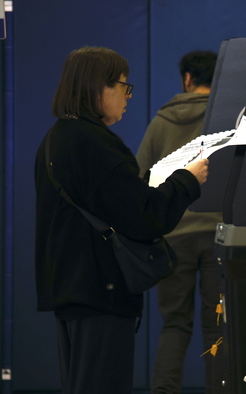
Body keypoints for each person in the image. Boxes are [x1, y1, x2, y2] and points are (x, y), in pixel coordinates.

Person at [34, 46, 209, 394]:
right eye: (123, 86)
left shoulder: (55, 139)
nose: (127, 96)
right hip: (101, 290)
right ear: (98, 86)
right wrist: (188, 179)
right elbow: (146, 215)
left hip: (69, 288)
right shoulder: (95, 143)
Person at [136, 50, 223, 394]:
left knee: (175, 324)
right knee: (218, 326)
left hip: (173, 237)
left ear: (187, 78)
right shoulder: (226, 120)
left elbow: (140, 179)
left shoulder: (161, 122)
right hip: (220, 236)